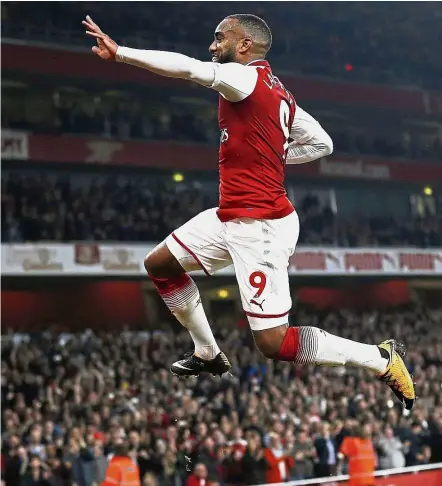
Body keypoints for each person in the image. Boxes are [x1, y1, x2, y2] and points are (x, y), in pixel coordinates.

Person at [83, 13, 415, 410]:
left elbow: (188, 68)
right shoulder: (279, 91)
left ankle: (379, 359)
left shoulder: (244, 78)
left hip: (261, 228)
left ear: (244, 45)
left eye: (219, 38)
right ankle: (207, 352)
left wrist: (121, 54)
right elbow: (322, 143)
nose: (212, 46)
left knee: (273, 344)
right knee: (160, 265)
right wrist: (271, 156)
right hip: (231, 214)